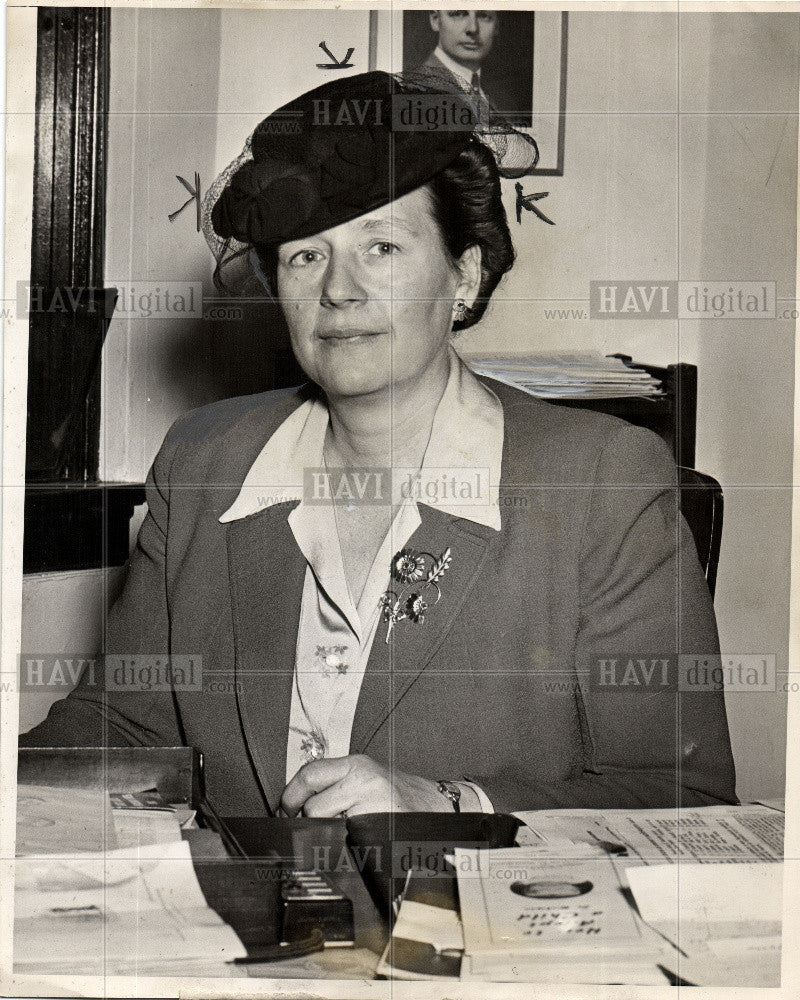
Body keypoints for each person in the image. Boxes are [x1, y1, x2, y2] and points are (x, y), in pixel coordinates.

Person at [20, 72, 737, 819]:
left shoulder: (602, 484)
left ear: (465, 276)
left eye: (383, 247)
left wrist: (446, 802)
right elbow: (122, 726)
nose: (339, 291)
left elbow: (685, 799)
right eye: (306, 256)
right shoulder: (205, 461)